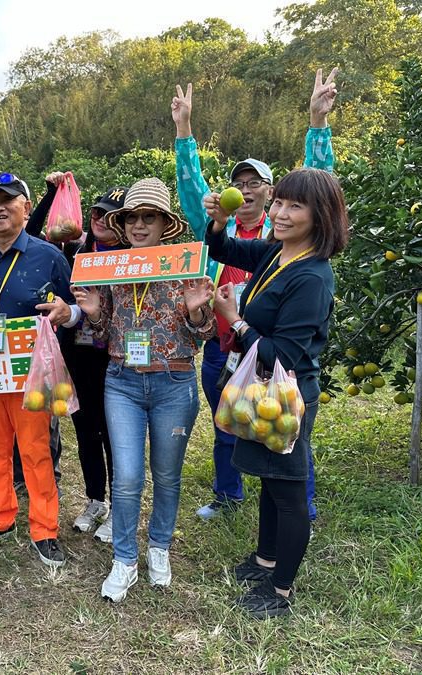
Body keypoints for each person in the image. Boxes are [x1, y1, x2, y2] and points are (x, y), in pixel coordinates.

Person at [173, 68, 339, 521]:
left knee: (283, 431)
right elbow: (192, 188)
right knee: (228, 420)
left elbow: (320, 182)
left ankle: (298, 505)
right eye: (239, 183)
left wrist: (317, 123)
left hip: (271, 351)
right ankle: (228, 495)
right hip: (223, 345)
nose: (245, 190)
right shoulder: (221, 229)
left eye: (256, 184)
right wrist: (184, 130)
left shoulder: (281, 235)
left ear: (272, 191)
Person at [203, 167, 348, 618]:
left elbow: (283, 352)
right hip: (261, 393)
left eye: (295, 205)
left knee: (289, 490)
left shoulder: (312, 277)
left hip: (286, 394)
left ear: (320, 215)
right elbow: (223, 247)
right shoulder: (276, 252)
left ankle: (281, 589)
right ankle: (265, 558)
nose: (281, 213)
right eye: (279, 202)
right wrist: (219, 222)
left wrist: (236, 318)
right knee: (269, 481)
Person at [73, 178, 216, 601]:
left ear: (164, 224)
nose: (139, 225)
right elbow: (103, 331)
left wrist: (195, 311)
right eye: (132, 217)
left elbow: (205, 333)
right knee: (129, 475)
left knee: (167, 475)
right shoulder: (112, 268)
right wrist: (96, 314)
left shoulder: (185, 264)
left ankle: (159, 547)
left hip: (174, 381)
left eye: (148, 217)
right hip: (122, 383)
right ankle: (124, 559)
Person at [0, 173, 81, 568]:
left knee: (36, 452)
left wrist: (68, 313)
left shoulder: (48, 255)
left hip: (32, 376)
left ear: (26, 207)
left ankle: (44, 529)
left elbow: (76, 308)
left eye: (8, 200)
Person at [38, 180, 129, 543]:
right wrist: (50, 197)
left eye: (111, 215)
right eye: (96, 211)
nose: (101, 219)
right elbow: (33, 232)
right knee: (86, 431)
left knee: (114, 436)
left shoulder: (132, 258)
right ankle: (96, 500)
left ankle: (121, 508)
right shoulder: (74, 251)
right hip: (77, 356)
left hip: (115, 358)